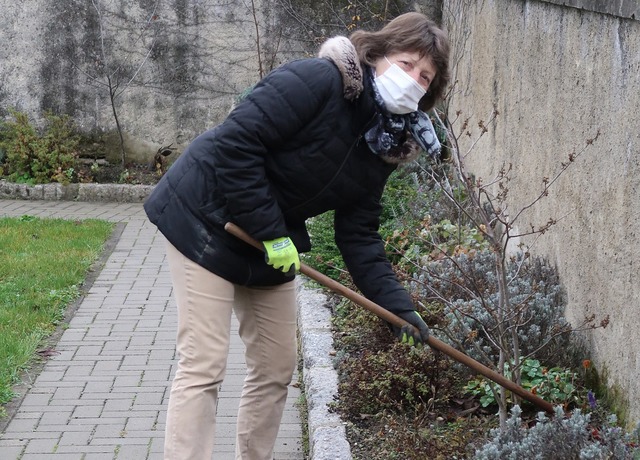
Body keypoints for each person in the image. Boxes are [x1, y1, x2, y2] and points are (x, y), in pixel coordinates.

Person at [144, 11, 450, 460]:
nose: (413, 81)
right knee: (205, 363)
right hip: (204, 217)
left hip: (266, 238)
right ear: (377, 54)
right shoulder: (318, 81)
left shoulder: (384, 142)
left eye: (425, 78)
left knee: (275, 367)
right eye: (406, 65)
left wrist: (398, 311)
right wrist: (271, 234)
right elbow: (236, 143)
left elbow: (360, 234)